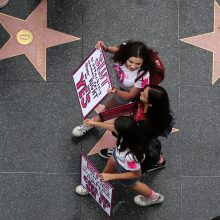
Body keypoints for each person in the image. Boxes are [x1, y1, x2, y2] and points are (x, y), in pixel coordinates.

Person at [75, 116, 164, 206]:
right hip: (117, 156)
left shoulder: (130, 156)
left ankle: (155, 197)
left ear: (122, 134)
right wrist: (93, 123)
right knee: (106, 172)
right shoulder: (131, 131)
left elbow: (136, 174)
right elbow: (112, 127)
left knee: (133, 185)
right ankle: (97, 184)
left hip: (126, 167)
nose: (113, 127)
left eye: (116, 128)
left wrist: (112, 176)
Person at [72, 40, 154, 137]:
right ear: (126, 55)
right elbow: (118, 50)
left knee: (108, 109)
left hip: (127, 93)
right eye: (130, 61)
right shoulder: (123, 51)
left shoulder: (143, 75)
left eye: (138, 64)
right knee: (109, 108)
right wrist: (105, 48)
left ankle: (88, 125)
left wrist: (116, 92)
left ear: (143, 62)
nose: (133, 66)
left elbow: (130, 95)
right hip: (121, 88)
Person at [99, 85, 174, 173]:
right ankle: (158, 160)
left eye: (144, 95)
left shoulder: (147, 123)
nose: (140, 93)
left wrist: (94, 123)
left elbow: (122, 130)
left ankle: (121, 154)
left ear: (150, 103)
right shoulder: (158, 111)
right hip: (143, 136)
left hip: (140, 140)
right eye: (143, 91)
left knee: (130, 145)